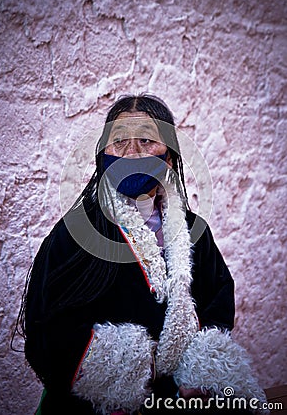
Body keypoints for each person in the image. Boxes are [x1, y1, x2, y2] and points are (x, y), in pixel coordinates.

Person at [18, 95, 268, 414]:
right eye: (119, 141)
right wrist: (130, 366)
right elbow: (49, 333)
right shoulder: (75, 234)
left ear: (168, 158)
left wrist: (198, 368)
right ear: (103, 157)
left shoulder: (196, 232)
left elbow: (218, 300)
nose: (132, 153)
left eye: (147, 140)